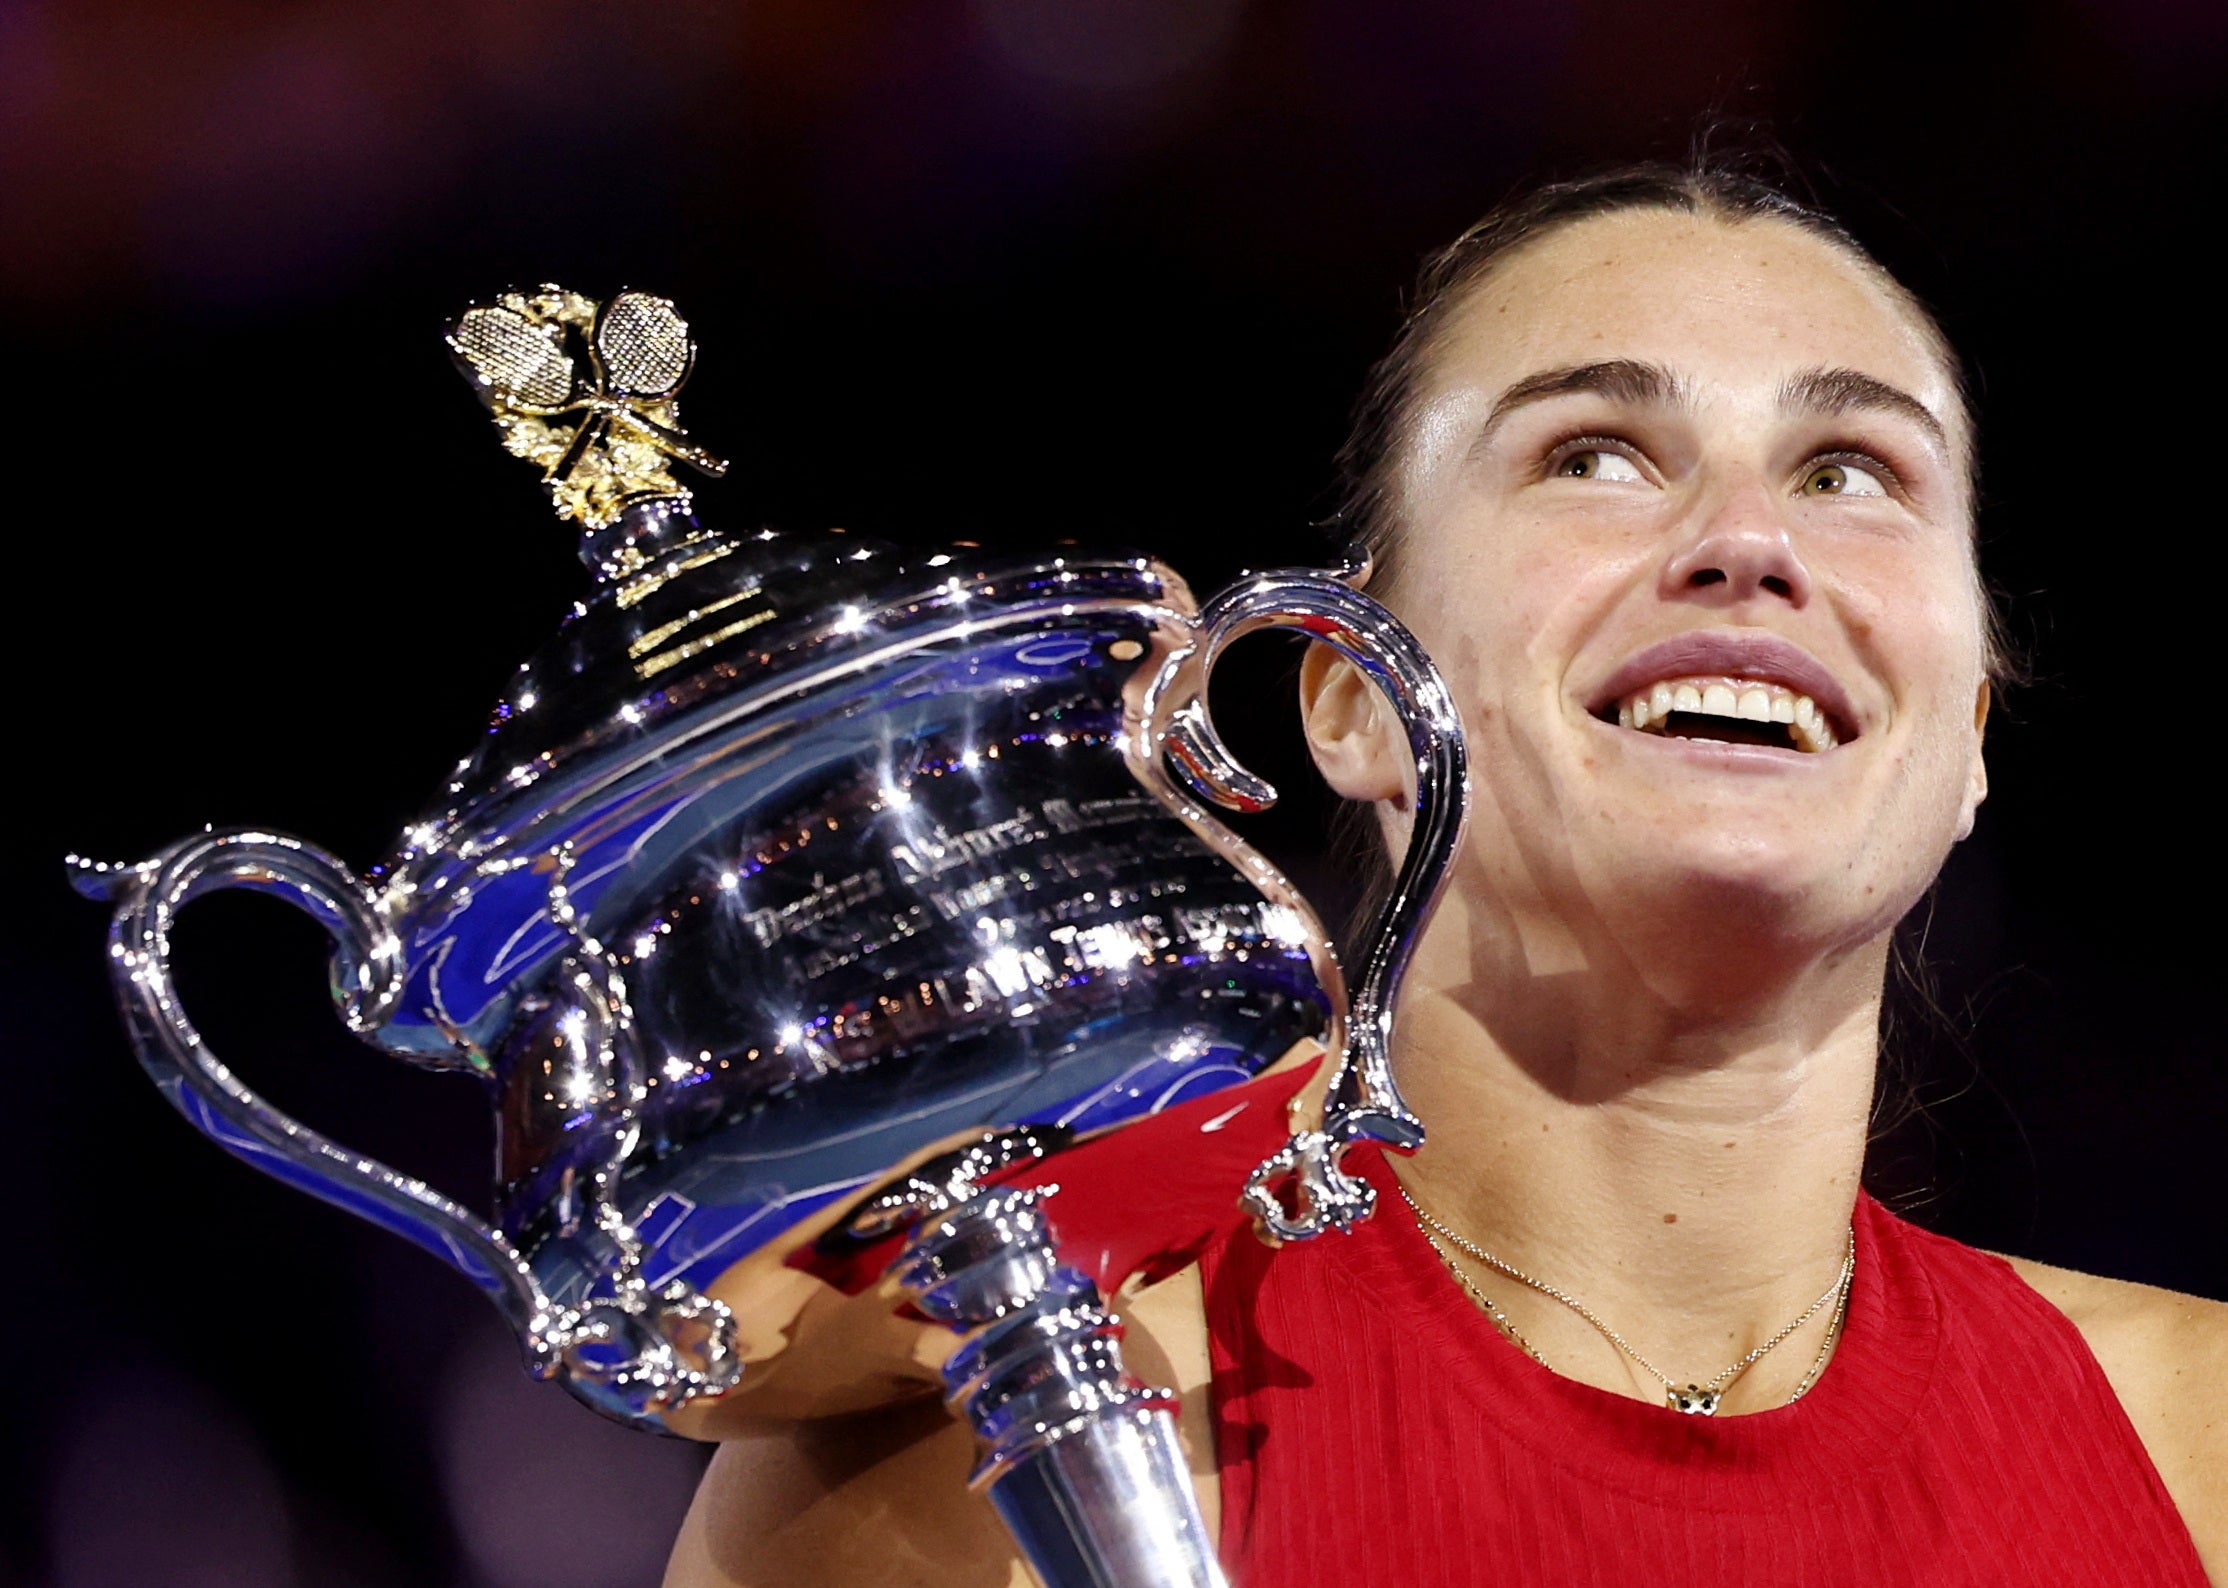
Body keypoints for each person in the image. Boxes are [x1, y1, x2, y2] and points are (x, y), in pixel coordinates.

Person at [663, 160, 2227, 1585]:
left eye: (1852, 470)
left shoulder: (2200, 1443)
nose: (1750, 539)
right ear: (1345, 690)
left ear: (1965, 730)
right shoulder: (991, 1452)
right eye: (1596, 452)